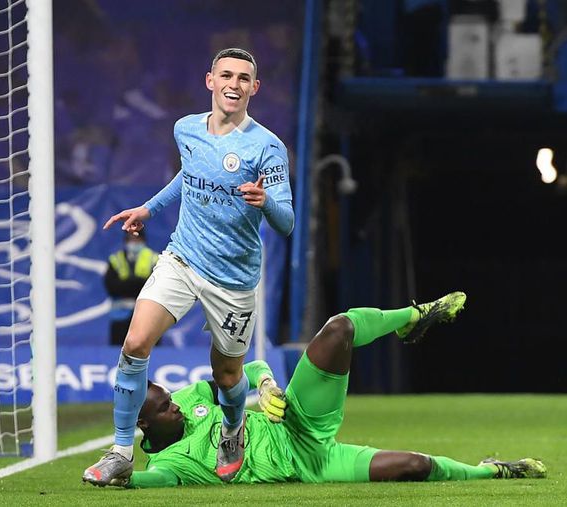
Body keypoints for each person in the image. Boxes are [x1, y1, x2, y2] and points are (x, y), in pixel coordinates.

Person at [84, 47, 294, 485]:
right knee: (136, 343)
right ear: (210, 81)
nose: (233, 85)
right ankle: (122, 449)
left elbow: (288, 222)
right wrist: (149, 208)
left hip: (233, 278)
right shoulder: (186, 130)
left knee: (228, 374)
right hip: (183, 257)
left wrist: (266, 201)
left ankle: (233, 430)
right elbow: (190, 175)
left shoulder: (267, 148)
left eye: (243, 78)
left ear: (254, 88)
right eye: (226, 76)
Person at [83, 291, 547, 488]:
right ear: (141, 425)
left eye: (169, 398)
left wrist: (264, 385)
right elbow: (144, 481)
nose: (177, 407)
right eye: (166, 409)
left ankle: (412, 318)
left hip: (297, 419)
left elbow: (242, 369)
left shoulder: (190, 399)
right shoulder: (170, 465)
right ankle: (492, 471)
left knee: (339, 328)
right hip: (312, 465)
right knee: (413, 465)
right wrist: (115, 478)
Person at [104, 230, 159, 345]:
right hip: (121, 317)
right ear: (126, 241)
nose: (134, 243)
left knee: (149, 353)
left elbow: (158, 286)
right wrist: (139, 283)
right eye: (131, 239)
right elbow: (111, 287)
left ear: (143, 240)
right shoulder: (116, 259)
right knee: (118, 354)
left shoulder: (155, 259)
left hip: (148, 317)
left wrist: (127, 283)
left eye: (137, 240)